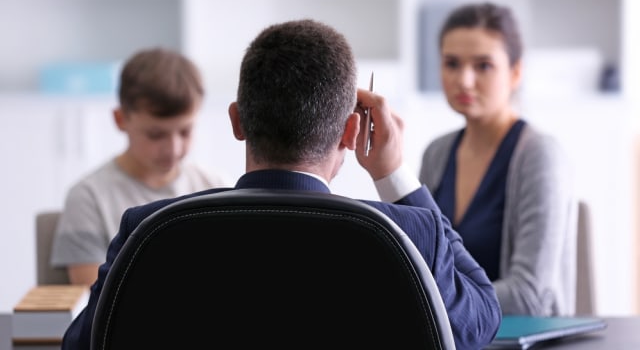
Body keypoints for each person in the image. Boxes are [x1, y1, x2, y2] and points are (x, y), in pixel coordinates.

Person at [61, 19, 501, 350]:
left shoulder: (148, 230)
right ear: (350, 133)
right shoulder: (411, 234)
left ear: (237, 121)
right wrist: (392, 173)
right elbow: (483, 314)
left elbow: (83, 344)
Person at [419, 2, 578, 316]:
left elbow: (529, 297)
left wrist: (435, 301)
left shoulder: (538, 154)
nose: (464, 80)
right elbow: (419, 262)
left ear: (515, 71)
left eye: (483, 66)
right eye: (452, 63)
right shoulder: (437, 153)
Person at [50, 47, 230, 285]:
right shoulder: (88, 198)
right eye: (156, 135)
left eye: (185, 132)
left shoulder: (217, 188)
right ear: (120, 119)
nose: (173, 149)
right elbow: (96, 305)